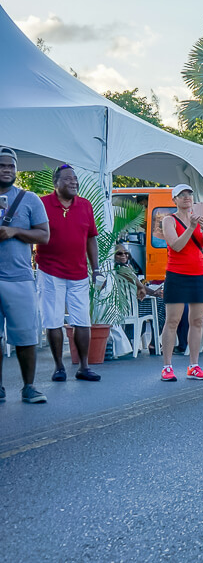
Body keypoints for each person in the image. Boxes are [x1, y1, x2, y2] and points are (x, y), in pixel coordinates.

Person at [35, 164, 101, 382]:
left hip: (79, 273)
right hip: (50, 271)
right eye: (67, 179)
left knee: (82, 320)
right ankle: (59, 367)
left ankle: (83, 366)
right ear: (56, 183)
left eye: (75, 179)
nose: (73, 182)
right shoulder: (42, 204)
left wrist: (96, 268)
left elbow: (91, 238)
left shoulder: (85, 205)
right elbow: (31, 233)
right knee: (53, 320)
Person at [0, 147, 50, 404]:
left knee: (26, 335)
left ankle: (29, 387)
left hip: (18, 277)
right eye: (2, 165)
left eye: (11, 166)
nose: (7, 170)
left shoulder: (29, 199)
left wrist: (15, 232)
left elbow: (44, 235)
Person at [159, 184, 203, 381]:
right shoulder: (168, 220)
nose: (187, 198)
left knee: (197, 321)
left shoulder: (198, 219)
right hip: (177, 274)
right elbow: (176, 245)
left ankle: (194, 365)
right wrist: (191, 227)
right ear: (175, 200)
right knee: (172, 321)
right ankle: (167, 366)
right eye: (182, 195)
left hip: (200, 273)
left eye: (189, 194)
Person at [114, 243, 164, 352]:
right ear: (114, 256)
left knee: (157, 301)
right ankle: (154, 343)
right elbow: (138, 285)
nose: (124, 256)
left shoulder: (121, 269)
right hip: (131, 308)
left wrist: (150, 291)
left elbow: (139, 286)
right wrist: (153, 293)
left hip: (125, 306)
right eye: (119, 254)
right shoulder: (121, 269)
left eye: (126, 253)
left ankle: (136, 340)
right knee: (162, 304)